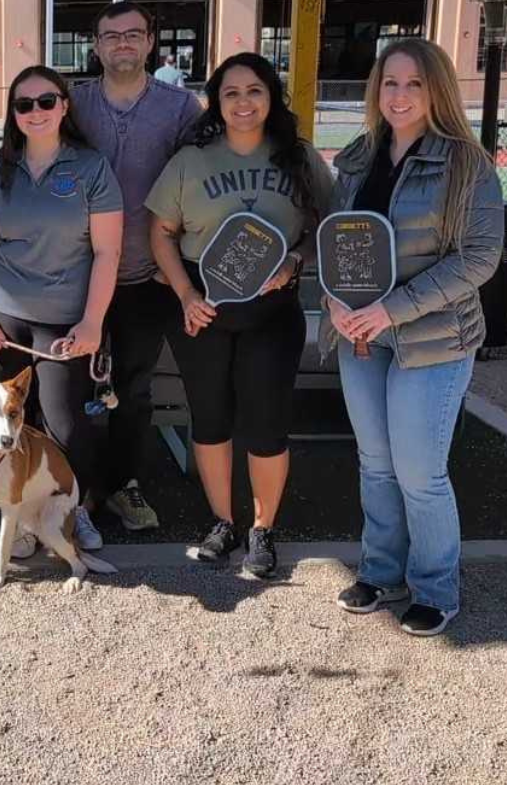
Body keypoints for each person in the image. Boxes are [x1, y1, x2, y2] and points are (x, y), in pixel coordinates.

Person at [323, 38, 503, 636]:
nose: (399, 96)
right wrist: (333, 299)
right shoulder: (356, 156)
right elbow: (337, 243)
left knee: (420, 471)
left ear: (437, 91)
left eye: (414, 84)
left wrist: (390, 310)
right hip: (360, 337)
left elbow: (477, 259)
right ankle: (380, 571)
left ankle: (434, 587)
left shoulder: (467, 164)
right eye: (389, 82)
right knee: (375, 464)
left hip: (434, 340)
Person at [147, 52, 334, 578]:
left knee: (267, 424)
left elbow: (327, 225)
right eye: (231, 93)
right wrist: (185, 295)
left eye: (254, 90)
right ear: (216, 102)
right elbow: (160, 233)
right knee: (209, 420)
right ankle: (222, 521)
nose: (243, 102)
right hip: (202, 308)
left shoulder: (297, 157)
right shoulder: (192, 159)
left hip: (272, 311)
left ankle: (262, 529)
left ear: (270, 96)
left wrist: (296, 260)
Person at [0, 65, 123, 557]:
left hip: (64, 323)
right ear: (12, 114)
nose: (36, 112)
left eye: (46, 101)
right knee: (8, 426)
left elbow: (107, 253)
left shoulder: (91, 168)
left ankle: (74, 514)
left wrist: (93, 321)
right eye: (24, 104)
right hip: (6, 319)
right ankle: (25, 522)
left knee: (64, 426)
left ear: (64, 106)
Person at [70, 1, 202, 532]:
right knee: (72, 388)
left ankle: (125, 484)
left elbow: (200, 185)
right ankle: (76, 490)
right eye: (110, 36)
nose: (121, 43)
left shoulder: (180, 108)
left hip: (148, 276)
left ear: (151, 42)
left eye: (132, 34)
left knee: (133, 388)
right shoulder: (74, 105)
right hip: (77, 276)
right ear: (96, 46)